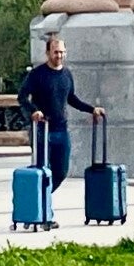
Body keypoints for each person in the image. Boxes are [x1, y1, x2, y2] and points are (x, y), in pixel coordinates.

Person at [18, 34, 103, 197]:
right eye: (56, 52)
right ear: (48, 53)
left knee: (61, 171)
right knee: (42, 170)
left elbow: (71, 98)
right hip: (42, 129)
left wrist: (91, 109)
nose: (59, 56)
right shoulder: (37, 74)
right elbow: (22, 96)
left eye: (62, 52)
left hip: (61, 129)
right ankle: (39, 206)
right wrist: (33, 111)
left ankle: (41, 199)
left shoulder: (66, 74)